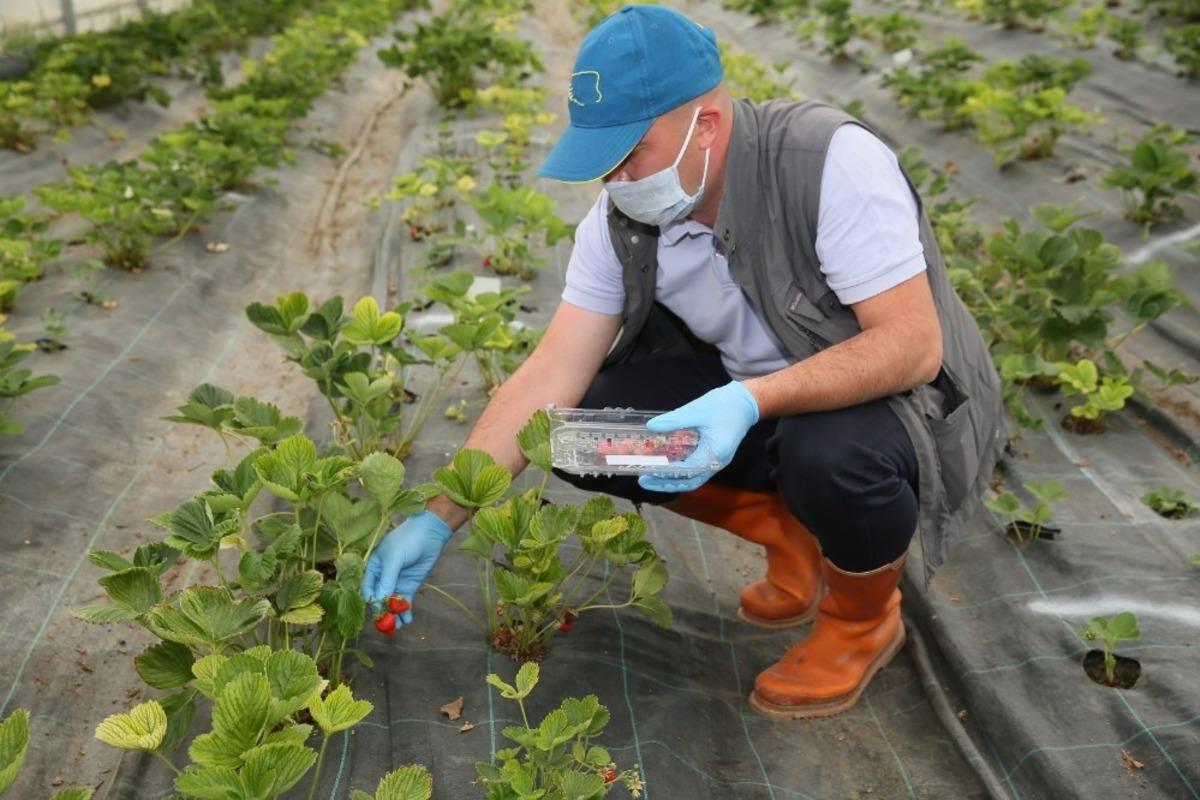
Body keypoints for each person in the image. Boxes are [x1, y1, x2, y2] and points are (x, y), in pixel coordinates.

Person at [362, 4, 1004, 719]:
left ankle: (862, 620)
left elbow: (911, 346)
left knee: (829, 453)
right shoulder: (621, 222)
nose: (615, 179)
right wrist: (440, 514)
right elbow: (548, 375)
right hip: (748, 390)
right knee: (579, 432)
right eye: (603, 160)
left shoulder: (829, 162)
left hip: (889, 403)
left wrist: (749, 402)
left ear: (706, 125)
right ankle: (785, 528)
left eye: (631, 152)